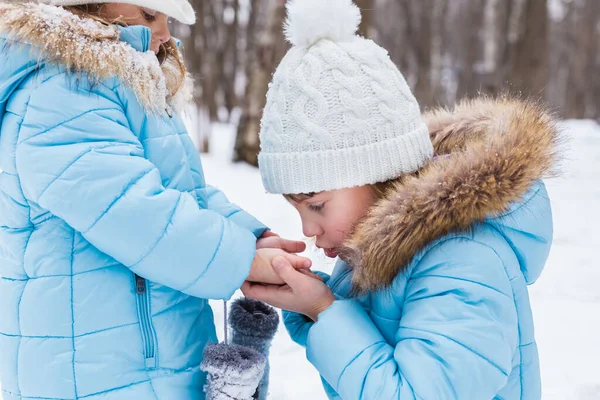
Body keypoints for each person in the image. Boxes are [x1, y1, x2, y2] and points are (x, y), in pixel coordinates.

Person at [243, 0, 562, 398]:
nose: (308, 230)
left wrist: (327, 310)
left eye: (317, 204)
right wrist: (311, 301)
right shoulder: (376, 251)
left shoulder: (462, 259)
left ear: (376, 171)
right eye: (297, 208)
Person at [0, 1, 310, 399]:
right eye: (150, 16)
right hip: (94, 368)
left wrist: (251, 236)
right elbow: (134, 211)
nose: (164, 33)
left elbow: (181, 194)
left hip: (143, 356)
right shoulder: (63, 90)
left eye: (166, 19)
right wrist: (243, 260)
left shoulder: (115, 82)